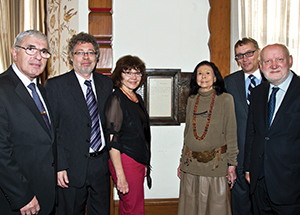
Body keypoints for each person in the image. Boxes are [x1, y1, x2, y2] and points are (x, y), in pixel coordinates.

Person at [45, 32, 113, 215]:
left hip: (101, 164)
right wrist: (59, 165)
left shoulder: (106, 84)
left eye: (90, 53)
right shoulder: (55, 86)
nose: (86, 57)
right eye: (80, 52)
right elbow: (53, 130)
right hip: (70, 167)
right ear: (71, 56)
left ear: (96, 57)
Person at [0, 30, 55, 215]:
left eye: (43, 51)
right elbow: (1, 153)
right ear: (14, 53)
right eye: (30, 49)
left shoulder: (41, 91)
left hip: (44, 195)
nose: (38, 56)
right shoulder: (2, 89)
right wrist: (22, 196)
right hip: (19, 201)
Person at [244, 44, 300, 214]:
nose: (273, 65)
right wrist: (248, 168)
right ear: (261, 66)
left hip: (291, 185)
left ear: (290, 61)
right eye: (268, 61)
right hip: (259, 182)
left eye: (279, 59)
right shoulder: (257, 93)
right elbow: (252, 133)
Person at [177, 60, 238, 215]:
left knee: (215, 209)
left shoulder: (226, 99)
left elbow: (231, 132)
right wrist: (181, 160)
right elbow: (188, 132)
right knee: (190, 208)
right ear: (195, 78)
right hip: (190, 165)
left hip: (215, 165)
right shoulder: (192, 100)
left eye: (208, 73)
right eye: (199, 73)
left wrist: (232, 164)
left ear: (215, 77)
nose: (203, 76)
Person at [105, 55, 151, 215]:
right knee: (134, 210)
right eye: (128, 72)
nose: (134, 77)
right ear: (119, 75)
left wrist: (144, 163)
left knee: (128, 208)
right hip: (124, 162)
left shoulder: (137, 98)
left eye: (137, 73)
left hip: (136, 161)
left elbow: (140, 134)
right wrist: (120, 175)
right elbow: (113, 140)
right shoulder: (116, 99)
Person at [224, 37, 265, 215]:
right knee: (240, 207)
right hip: (239, 157)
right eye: (239, 56)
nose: (244, 59)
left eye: (249, 53)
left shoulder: (273, 78)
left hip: (266, 157)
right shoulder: (229, 82)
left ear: (258, 52)